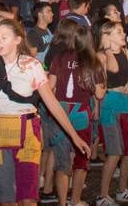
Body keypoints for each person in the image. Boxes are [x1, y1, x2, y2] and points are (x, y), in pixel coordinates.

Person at [0, 19, 90, 206]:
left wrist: (74, 135)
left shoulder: (32, 66)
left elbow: (52, 103)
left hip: (28, 133)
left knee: (27, 198)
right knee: (6, 199)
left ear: (18, 40)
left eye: (4, 37)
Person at [44, 18, 105, 206]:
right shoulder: (92, 61)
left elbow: (51, 87)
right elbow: (100, 93)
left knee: (62, 163)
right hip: (80, 113)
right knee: (81, 160)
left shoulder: (59, 58)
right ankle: (75, 200)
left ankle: (62, 202)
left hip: (60, 112)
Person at [94, 18, 128, 206]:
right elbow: (110, 72)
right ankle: (102, 195)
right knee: (114, 152)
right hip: (109, 105)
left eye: (123, 31)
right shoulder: (102, 56)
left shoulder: (127, 52)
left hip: (126, 104)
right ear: (107, 36)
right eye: (119, 32)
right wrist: (106, 47)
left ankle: (122, 190)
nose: (124, 34)